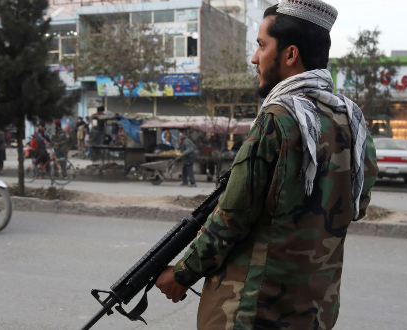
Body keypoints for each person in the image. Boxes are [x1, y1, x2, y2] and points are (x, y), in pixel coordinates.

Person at [155, 2, 379, 329]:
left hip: (252, 310)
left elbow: (232, 216)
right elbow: (357, 206)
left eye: (261, 45)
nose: (254, 58)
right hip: (314, 310)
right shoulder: (353, 122)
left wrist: (182, 273)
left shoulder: (278, 119)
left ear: (290, 54)